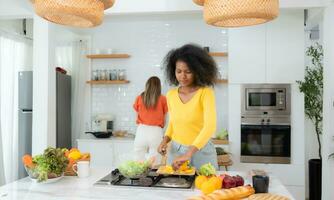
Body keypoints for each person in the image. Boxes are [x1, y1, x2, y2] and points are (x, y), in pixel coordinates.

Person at [158, 44, 219, 170]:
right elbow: (172, 123)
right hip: (176, 151)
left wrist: (189, 153)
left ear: (198, 71)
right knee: (175, 187)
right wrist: (164, 141)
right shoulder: (171, 95)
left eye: (188, 72)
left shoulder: (205, 93)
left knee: (206, 188)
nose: (182, 76)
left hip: (201, 151)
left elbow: (210, 126)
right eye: (178, 71)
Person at [133, 76, 168, 165]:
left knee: (138, 159)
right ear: (159, 87)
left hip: (141, 130)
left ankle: (139, 178)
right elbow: (166, 118)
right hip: (156, 131)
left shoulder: (139, 98)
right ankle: (154, 178)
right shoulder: (163, 99)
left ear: (147, 85)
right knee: (155, 160)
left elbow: (136, 115)